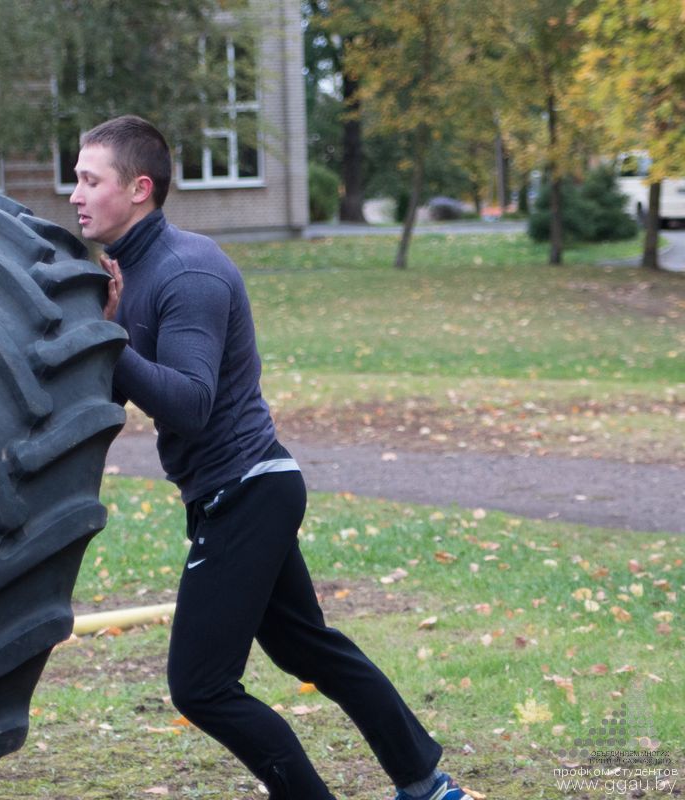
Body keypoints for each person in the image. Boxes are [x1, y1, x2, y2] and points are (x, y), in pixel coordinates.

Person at [69, 114, 465, 800]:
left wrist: (109, 344)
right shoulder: (130, 275)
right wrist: (103, 335)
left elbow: (189, 403)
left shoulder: (187, 271)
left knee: (201, 685)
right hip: (239, 489)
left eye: (88, 179)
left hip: (247, 489)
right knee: (306, 647)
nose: (73, 193)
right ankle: (426, 783)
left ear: (138, 189)